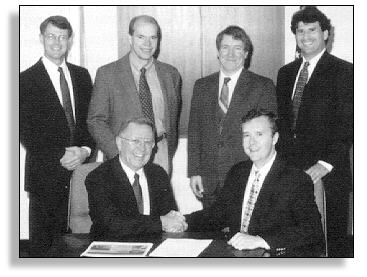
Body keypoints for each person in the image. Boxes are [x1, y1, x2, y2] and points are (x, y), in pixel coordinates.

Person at [185, 109, 324, 255]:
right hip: (237, 256)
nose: (252, 142)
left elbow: (312, 231)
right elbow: (217, 214)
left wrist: (262, 241)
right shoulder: (237, 172)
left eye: (259, 134)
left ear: (275, 138)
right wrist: (183, 221)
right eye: (246, 135)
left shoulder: (295, 178)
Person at [276, 6, 353, 257]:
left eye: (312, 30)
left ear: (326, 34)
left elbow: (348, 124)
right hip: (292, 171)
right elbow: (284, 124)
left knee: (332, 243)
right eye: (300, 31)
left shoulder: (346, 72)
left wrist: (325, 163)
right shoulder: (286, 73)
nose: (306, 36)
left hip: (328, 172)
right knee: (296, 240)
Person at [20, 16, 95, 256]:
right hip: (45, 175)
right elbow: (25, 130)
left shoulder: (83, 76)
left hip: (82, 172)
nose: (57, 42)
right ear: (41, 38)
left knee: (79, 246)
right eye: (51, 36)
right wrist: (61, 154)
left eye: (63, 37)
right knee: (45, 249)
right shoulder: (23, 80)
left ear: (70, 40)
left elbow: (91, 121)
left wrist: (85, 150)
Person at [188, 25, 277, 208]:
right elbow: (194, 131)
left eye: (238, 49)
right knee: (212, 232)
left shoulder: (262, 86)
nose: (231, 54)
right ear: (218, 52)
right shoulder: (202, 86)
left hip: (246, 176)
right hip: (209, 179)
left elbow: (267, 137)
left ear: (246, 54)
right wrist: (194, 171)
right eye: (225, 48)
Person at [87, 15, 182, 174]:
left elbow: (172, 119)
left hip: (160, 154)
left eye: (153, 37)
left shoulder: (170, 74)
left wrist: (167, 150)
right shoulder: (107, 74)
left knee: (156, 198)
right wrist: (117, 155)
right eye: (141, 37)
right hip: (122, 156)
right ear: (130, 38)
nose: (148, 43)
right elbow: (95, 120)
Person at [85, 117, 187, 241]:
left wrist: (176, 223)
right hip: (112, 249)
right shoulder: (99, 177)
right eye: (135, 141)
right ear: (119, 143)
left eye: (148, 142)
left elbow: (170, 215)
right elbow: (111, 224)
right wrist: (161, 222)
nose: (142, 148)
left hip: (154, 248)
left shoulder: (158, 174)